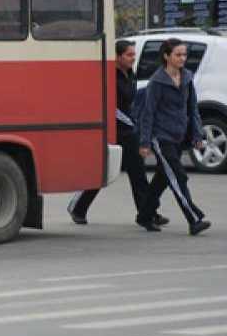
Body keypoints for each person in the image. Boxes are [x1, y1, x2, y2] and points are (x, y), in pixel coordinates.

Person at [67, 40, 164, 225]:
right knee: (101, 171)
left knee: (138, 174)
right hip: (113, 131)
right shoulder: (110, 76)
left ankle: (148, 213)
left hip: (129, 132)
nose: (133, 58)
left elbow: (131, 103)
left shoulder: (130, 74)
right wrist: (133, 123)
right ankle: (78, 207)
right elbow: (111, 108)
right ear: (117, 57)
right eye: (129, 55)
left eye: (134, 54)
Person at [136, 38, 211, 235]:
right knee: (178, 176)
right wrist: (145, 142)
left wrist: (197, 134)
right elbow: (148, 113)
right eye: (178, 54)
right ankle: (194, 219)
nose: (182, 58)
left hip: (179, 136)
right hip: (161, 138)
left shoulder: (187, 77)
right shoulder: (157, 81)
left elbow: (192, 108)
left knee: (162, 178)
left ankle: (144, 215)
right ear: (166, 56)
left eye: (184, 54)